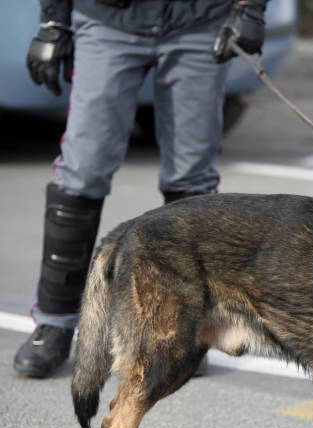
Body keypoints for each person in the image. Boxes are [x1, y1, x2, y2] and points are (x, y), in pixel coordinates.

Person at [14, 0, 267, 378]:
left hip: (199, 20)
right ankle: (54, 322)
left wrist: (251, 8)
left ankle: (190, 330)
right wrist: (53, 22)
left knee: (192, 181)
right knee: (83, 171)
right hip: (108, 20)